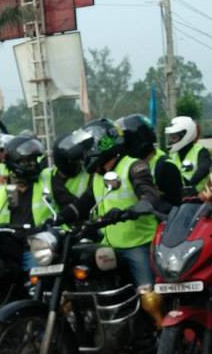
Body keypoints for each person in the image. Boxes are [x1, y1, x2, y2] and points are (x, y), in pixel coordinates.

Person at [58, 119, 165, 290]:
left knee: (150, 295)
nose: (83, 154)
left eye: (86, 148)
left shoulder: (134, 166)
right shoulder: (98, 176)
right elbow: (83, 204)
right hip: (108, 246)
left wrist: (131, 210)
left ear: (100, 145)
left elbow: (150, 196)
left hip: (138, 244)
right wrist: (58, 217)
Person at [0, 135, 73, 270]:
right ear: (14, 162)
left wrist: (56, 222)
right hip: (8, 248)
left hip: (37, 247)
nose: (33, 164)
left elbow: (70, 205)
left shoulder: (47, 180)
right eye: (27, 161)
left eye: (34, 160)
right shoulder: (1, 187)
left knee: (35, 279)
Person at [118, 113, 182, 206]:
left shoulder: (166, 168)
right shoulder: (128, 166)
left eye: (126, 143)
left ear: (135, 142)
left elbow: (175, 205)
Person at [165, 116, 211, 193]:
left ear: (185, 135)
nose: (171, 141)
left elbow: (204, 169)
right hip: (179, 197)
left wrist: (189, 185)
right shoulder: (172, 154)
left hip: (200, 198)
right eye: (170, 137)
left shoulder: (201, 151)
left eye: (174, 137)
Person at [49, 132, 93, 198]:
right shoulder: (47, 176)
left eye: (80, 158)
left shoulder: (89, 175)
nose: (80, 162)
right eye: (76, 159)